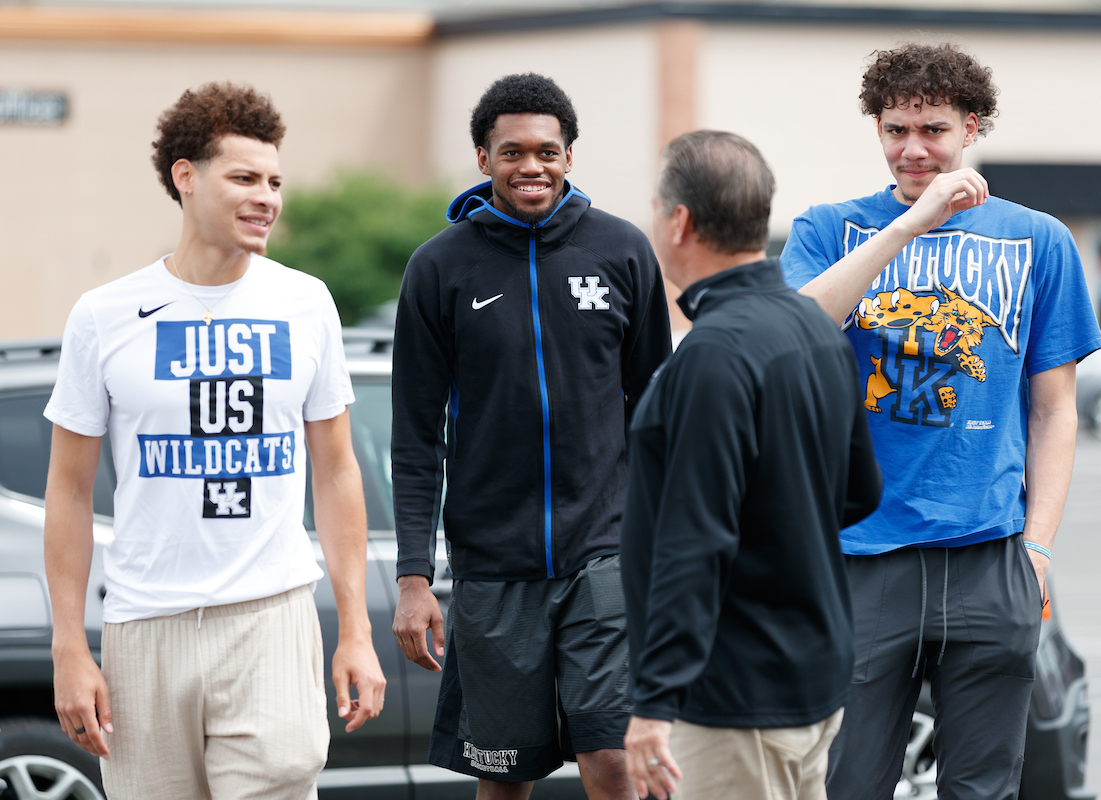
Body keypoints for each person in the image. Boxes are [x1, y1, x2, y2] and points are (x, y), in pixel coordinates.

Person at [778, 43, 1101, 799]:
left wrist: (1039, 548)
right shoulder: (831, 230)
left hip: (991, 557)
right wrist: (910, 226)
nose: (913, 148)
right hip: (860, 553)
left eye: (932, 130)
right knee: (845, 783)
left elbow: (1055, 410)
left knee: (983, 788)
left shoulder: (1038, 240)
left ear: (971, 128)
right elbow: (794, 331)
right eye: (895, 130)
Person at [43, 82, 386, 800]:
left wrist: (355, 628)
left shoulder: (305, 303)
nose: (267, 197)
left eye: (274, 181)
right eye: (244, 178)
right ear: (186, 177)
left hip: (271, 619)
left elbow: (336, 472)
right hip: (144, 629)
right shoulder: (103, 317)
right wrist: (69, 647)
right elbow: (69, 491)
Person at [390, 73, 672, 799]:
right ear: (483, 159)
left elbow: (657, 410)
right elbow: (417, 436)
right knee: (504, 778)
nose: (531, 167)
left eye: (547, 151)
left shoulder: (622, 251)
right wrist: (414, 577)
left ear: (570, 156)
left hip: (604, 555)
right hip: (492, 568)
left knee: (612, 760)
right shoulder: (439, 268)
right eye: (511, 152)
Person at [620, 130, 883, 800]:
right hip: (813, 676)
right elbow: (860, 491)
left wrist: (654, 701)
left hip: (731, 695)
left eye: (657, 207)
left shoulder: (713, 355)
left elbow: (693, 540)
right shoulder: (814, 330)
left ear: (678, 221)